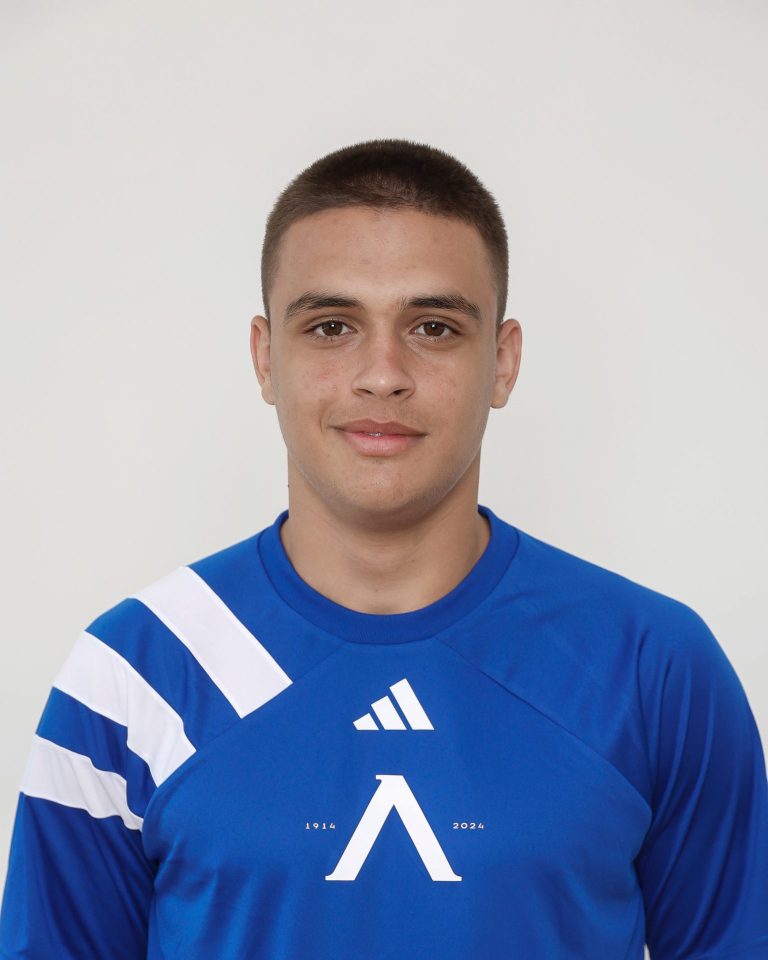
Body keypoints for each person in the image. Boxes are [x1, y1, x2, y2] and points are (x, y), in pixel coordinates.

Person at [0, 138, 766, 959]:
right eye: (331, 326)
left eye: (433, 327)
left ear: (503, 363)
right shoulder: (134, 674)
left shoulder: (652, 667)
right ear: (266, 357)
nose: (382, 374)